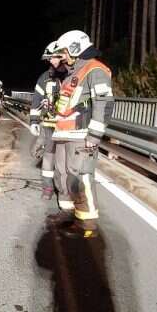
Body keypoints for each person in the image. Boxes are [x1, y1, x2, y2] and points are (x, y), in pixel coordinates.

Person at [51, 30, 114, 239]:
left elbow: (103, 104)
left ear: (76, 48)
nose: (63, 56)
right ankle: (69, 213)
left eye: (65, 52)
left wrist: (94, 136)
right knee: (64, 175)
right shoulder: (73, 71)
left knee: (80, 178)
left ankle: (87, 223)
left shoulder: (95, 69)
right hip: (64, 134)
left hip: (81, 135)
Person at [30, 42, 69, 208]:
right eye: (49, 58)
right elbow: (36, 100)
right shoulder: (44, 78)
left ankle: (64, 191)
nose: (51, 61)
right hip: (48, 125)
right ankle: (47, 188)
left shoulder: (72, 76)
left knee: (64, 163)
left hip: (67, 127)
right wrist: (33, 121)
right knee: (48, 158)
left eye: (54, 57)